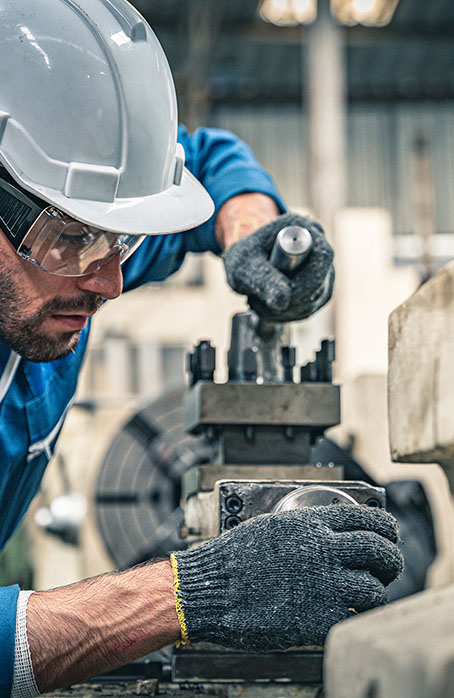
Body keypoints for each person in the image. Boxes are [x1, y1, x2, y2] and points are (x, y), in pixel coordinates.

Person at [0, 1, 404, 696]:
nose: (111, 281)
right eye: (71, 237)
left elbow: (211, 160)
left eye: (120, 239)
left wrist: (253, 228)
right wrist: (191, 595)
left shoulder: (60, 257)